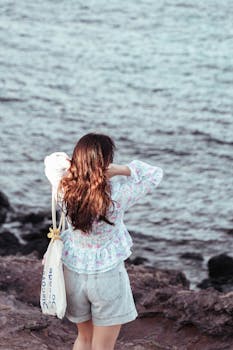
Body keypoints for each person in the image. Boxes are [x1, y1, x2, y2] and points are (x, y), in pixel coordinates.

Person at [44, 132, 163, 350]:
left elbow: (52, 162)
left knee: (84, 339)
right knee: (102, 347)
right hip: (107, 277)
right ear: (106, 162)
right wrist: (121, 169)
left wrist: (75, 166)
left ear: (77, 158)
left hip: (74, 275)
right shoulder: (117, 194)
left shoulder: (63, 189)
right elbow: (155, 174)